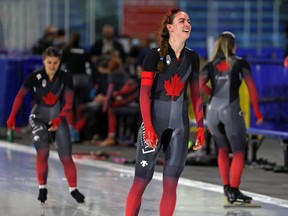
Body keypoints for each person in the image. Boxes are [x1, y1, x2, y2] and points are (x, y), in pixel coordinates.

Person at [125, 9, 205, 216]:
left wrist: (201, 127)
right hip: (153, 125)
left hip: (180, 128)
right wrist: (149, 128)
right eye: (181, 20)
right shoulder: (153, 55)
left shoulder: (193, 58)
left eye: (188, 20)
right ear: (170, 27)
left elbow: (196, 96)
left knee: (171, 185)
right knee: (141, 181)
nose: (187, 23)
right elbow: (144, 95)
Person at [6, 46, 85, 204]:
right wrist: (12, 117)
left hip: (58, 117)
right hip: (38, 118)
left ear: (59, 62)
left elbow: (69, 103)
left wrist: (58, 119)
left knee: (66, 156)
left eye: (55, 63)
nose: (52, 66)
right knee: (43, 153)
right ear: (44, 61)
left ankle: (73, 189)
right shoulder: (35, 76)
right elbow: (20, 97)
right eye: (49, 62)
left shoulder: (65, 76)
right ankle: (42, 187)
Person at [200, 31, 263, 204]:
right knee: (239, 151)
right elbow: (252, 89)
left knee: (222, 149)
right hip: (231, 110)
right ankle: (234, 189)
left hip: (212, 111)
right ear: (234, 46)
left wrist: (212, 93)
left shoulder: (210, 65)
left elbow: (199, 85)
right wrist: (257, 113)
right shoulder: (241, 63)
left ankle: (226, 187)